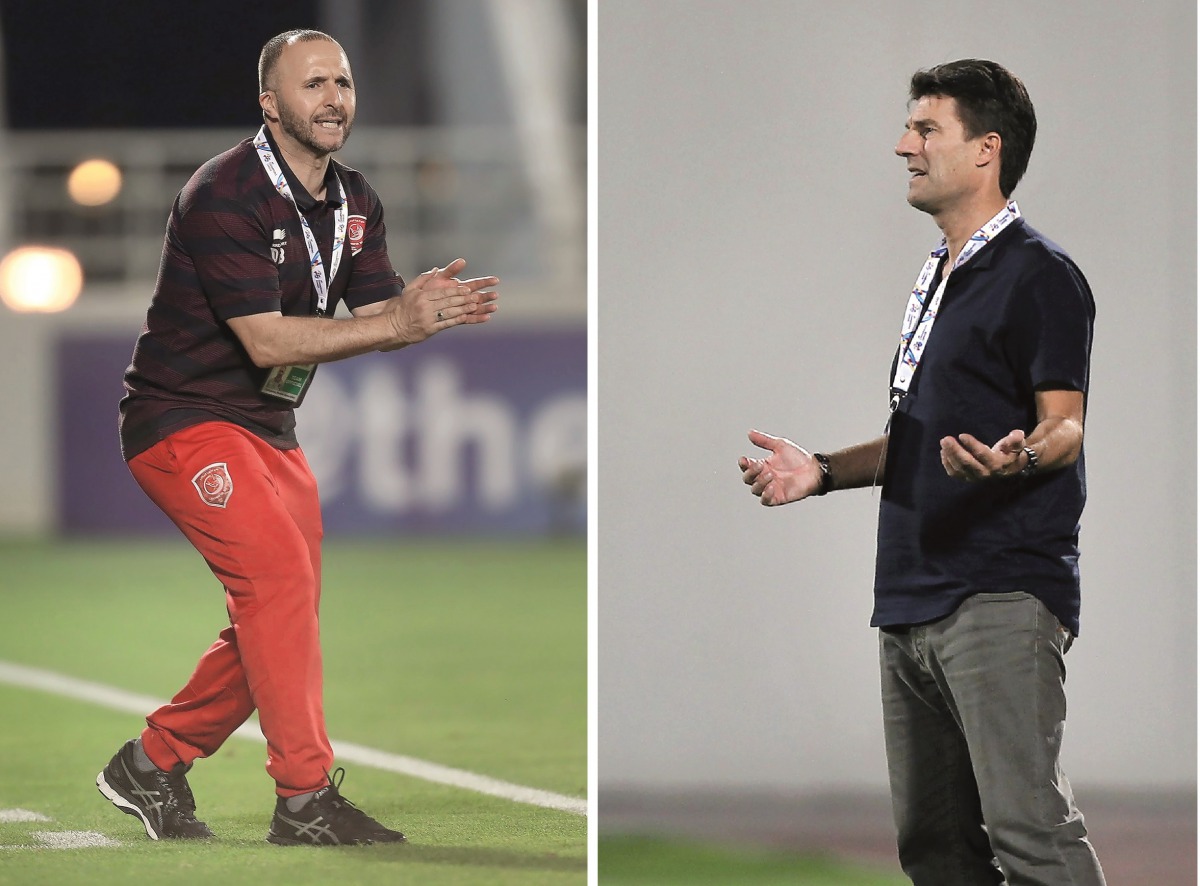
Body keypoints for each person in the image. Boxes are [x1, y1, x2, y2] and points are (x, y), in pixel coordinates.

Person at [95, 29, 499, 846]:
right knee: (277, 585)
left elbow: (376, 319)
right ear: (270, 103)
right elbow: (267, 341)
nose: (333, 98)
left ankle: (152, 761)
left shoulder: (357, 201)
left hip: (268, 427)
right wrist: (393, 323)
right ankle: (305, 798)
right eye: (312, 84)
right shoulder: (225, 192)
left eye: (342, 82)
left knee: (282, 612)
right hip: (183, 419)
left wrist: (415, 315)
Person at [738, 59, 1105, 885]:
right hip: (909, 594)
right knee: (935, 854)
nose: (904, 145)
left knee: (1031, 834)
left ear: (986, 149)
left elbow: (1065, 423)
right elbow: (921, 436)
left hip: (997, 590)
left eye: (926, 128)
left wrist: (1021, 456)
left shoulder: (1039, 273)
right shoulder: (940, 273)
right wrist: (823, 470)